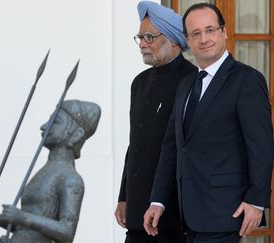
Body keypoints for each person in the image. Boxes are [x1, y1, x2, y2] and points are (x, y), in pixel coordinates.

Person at [143, 3, 274, 243]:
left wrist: (256, 200)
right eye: (196, 33)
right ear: (187, 39)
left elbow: (261, 146)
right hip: (188, 215)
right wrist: (158, 200)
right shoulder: (186, 84)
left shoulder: (247, 80)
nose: (204, 38)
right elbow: (172, 146)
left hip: (226, 213)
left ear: (223, 32)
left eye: (210, 30)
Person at [115, 1, 196, 243]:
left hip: (174, 215)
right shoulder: (139, 82)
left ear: (172, 39)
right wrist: (124, 196)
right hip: (138, 209)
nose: (142, 44)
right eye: (140, 37)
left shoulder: (192, 80)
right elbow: (135, 145)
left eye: (149, 36)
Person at [0, 100, 101, 243]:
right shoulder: (44, 172)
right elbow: (31, 230)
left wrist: (22, 217)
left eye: (55, 121)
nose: (44, 126)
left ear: (76, 134)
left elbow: (67, 231)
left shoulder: (70, 179)